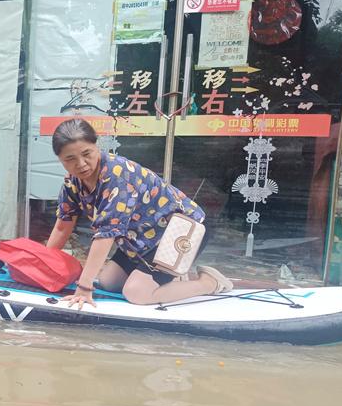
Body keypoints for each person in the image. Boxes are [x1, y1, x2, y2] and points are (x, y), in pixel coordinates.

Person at [46, 119, 233, 309]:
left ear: (97, 145)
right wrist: (45, 266)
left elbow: (105, 236)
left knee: (137, 293)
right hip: (142, 239)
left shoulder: (117, 177)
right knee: (108, 282)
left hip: (183, 230)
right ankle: (168, 276)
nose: (81, 164)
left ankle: (209, 282)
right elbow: (63, 225)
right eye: (70, 159)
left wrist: (84, 288)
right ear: (60, 159)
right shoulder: (72, 182)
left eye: (87, 154)